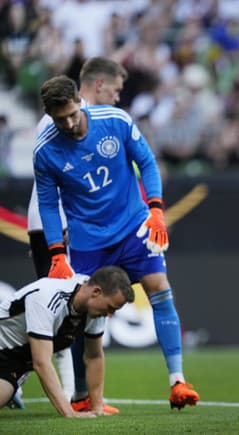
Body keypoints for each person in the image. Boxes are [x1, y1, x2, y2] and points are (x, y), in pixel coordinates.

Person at [33, 75, 199, 411]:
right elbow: (48, 204)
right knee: (82, 314)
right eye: (58, 118)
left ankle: (178, 381)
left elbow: (147, 163)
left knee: (159, 286)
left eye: (71, 114)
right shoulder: (45, 151)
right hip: (88, 241)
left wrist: (155, 209)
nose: (67, 123)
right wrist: (56, 254)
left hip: (132, 226)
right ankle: (81, 395)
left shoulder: (115, 120)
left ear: (80, 99)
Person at [26, 56, 128, 413]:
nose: (116, 99)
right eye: (114, 91)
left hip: (58, 228)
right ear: (97, 87)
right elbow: (51, 190)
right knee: (60, 313)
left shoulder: (83, 122)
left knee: (69, 313)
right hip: (52, 229)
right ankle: (73, 394)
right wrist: (61, 238)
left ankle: (78, 393)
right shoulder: (54, 126)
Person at [0, 266, 134, 417]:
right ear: (96, 292)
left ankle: (13, 394)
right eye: (110, 308)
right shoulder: (47, 296)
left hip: (13, 368)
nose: (110, 315)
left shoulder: (95, 310)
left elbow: (94, 356)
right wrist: (69, 413)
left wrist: (97, 408)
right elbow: (41, 362)